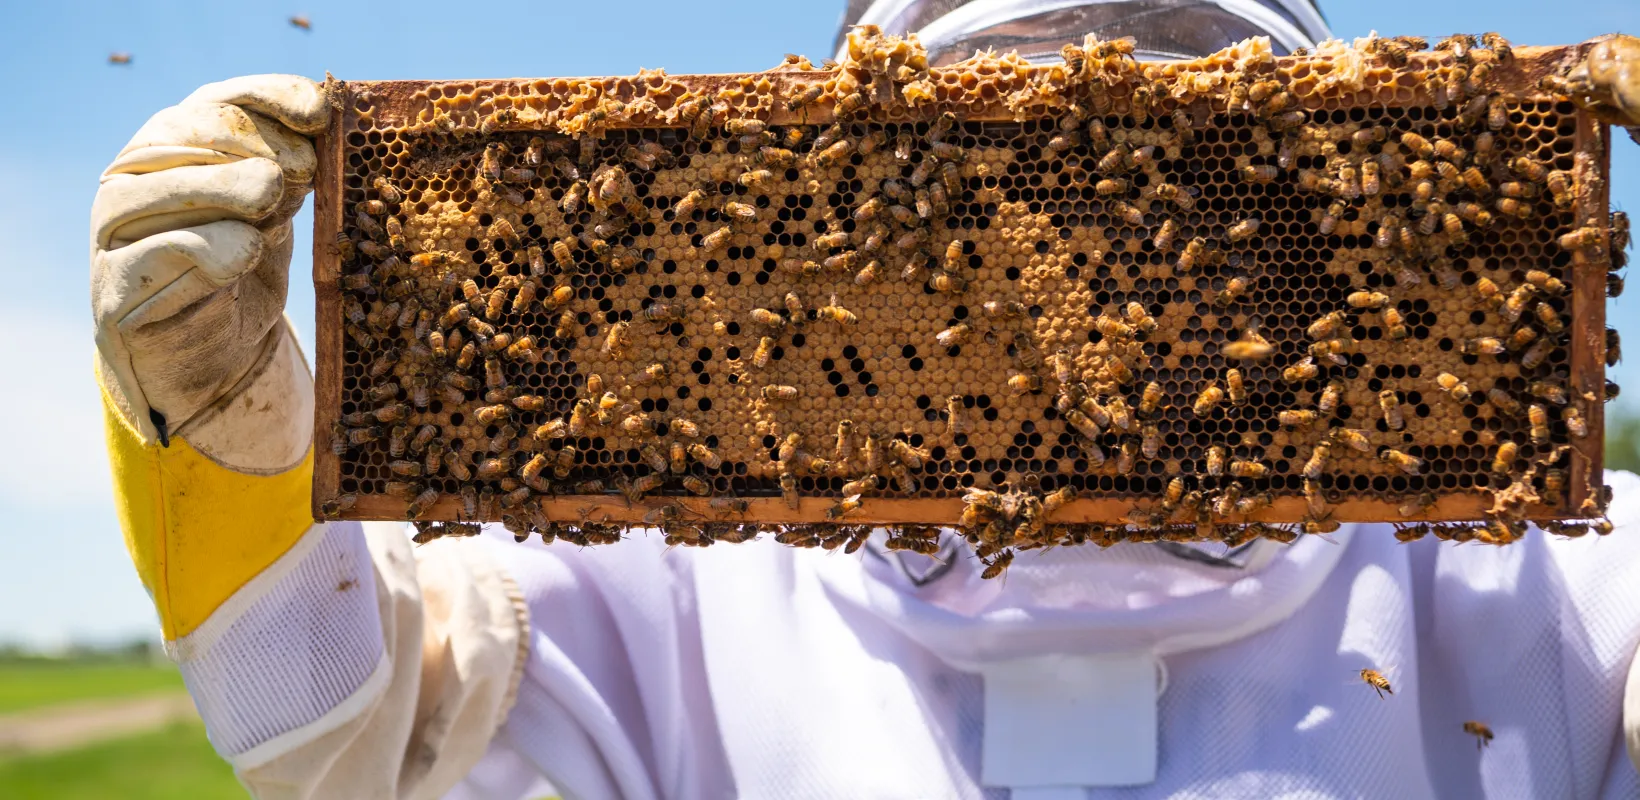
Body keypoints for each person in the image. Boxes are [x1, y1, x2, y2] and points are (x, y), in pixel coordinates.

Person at [91, 1, 1640, 797]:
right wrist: (224, 433)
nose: (1078, 280)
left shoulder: (1560, 587)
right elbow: (352, 734)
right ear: (836, 220)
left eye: (1185, 189)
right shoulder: (676, 585)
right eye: (991, 193)